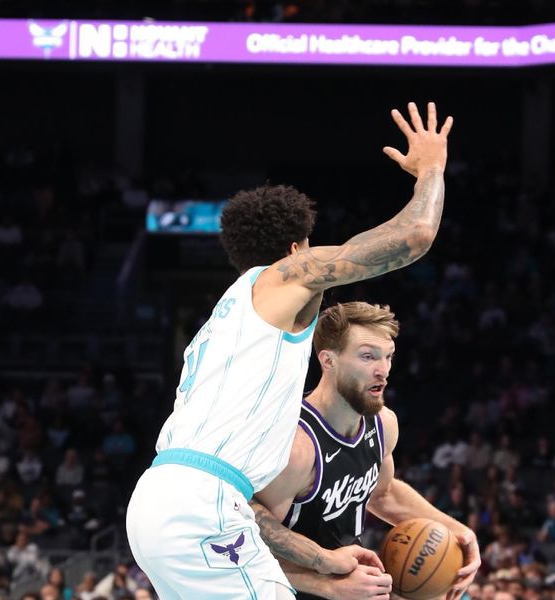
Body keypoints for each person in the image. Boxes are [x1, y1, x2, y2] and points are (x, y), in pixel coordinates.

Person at [126, 102, 454, 600]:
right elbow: (415, 235)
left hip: (161, 500)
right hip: (203, 501)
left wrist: (324, 561)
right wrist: (432, 168)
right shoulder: (283, 277)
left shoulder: (224, 325)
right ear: (300, 247)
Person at [252, 302, 480, 600]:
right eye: (368, 356)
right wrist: (327, 584)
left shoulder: (383, 424)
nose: (383, 370)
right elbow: (247, 542)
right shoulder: (297, 447)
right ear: (328, 360)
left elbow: (382, 493)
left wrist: (458, 532)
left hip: (351, 588)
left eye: (388, 357)